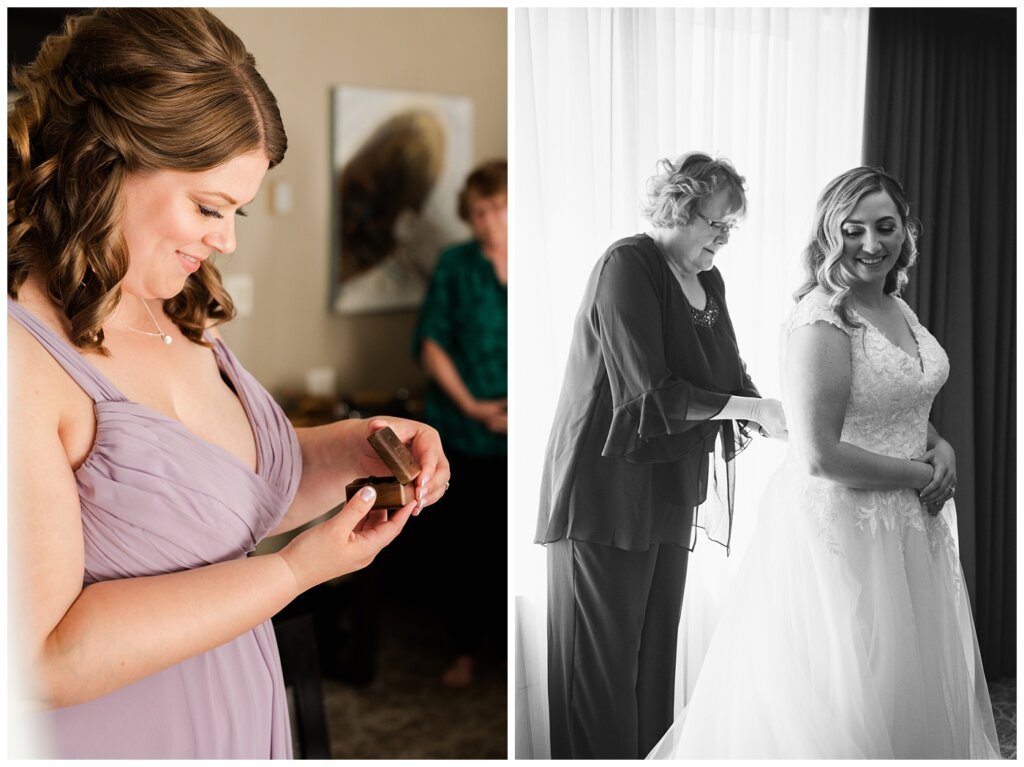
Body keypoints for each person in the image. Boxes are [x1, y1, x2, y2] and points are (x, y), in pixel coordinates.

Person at [7, 9, 450, 759]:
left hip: (240, 718)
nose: (227, 239)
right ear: (101, 164)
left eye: (236, 210)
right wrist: (292, 572)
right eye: (209, 207)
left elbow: (214, 495)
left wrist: (355, 450)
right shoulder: (18, 356)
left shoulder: (176, 306)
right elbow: (41, 656)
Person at [647, 167, 1001, 759]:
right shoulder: (823, 319)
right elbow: (819, 454)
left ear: (904, 232)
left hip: (911, 524)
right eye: (854, 229)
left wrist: (941, 446)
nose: (871, 244)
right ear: (829, 235)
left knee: (906, 682)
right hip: (842, 526)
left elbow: (901, 404)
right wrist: (922, 475)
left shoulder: (895, 306)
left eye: (885, 227)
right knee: (847, 690)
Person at [534, 152, 787, 759]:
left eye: (731, 228)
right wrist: (752, 411)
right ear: (679, 206)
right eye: (715, 225)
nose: (724, 240)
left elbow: (730, 376)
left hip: (670, 491)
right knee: (601, 674)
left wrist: (789, 413)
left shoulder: (710, 283)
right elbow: (648, 394)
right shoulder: (629, 264)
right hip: (603, 491)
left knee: (653, 665)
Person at [412, 160, 508, 687]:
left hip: (525, 432)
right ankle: (466, 652)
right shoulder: (456, 265)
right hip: (466, 429)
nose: (488, 219)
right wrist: (472, 406)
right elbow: (431, 343)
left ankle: (507, 649)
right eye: (478, 212)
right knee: (467, 547)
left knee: (508, 544)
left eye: (496, 207)